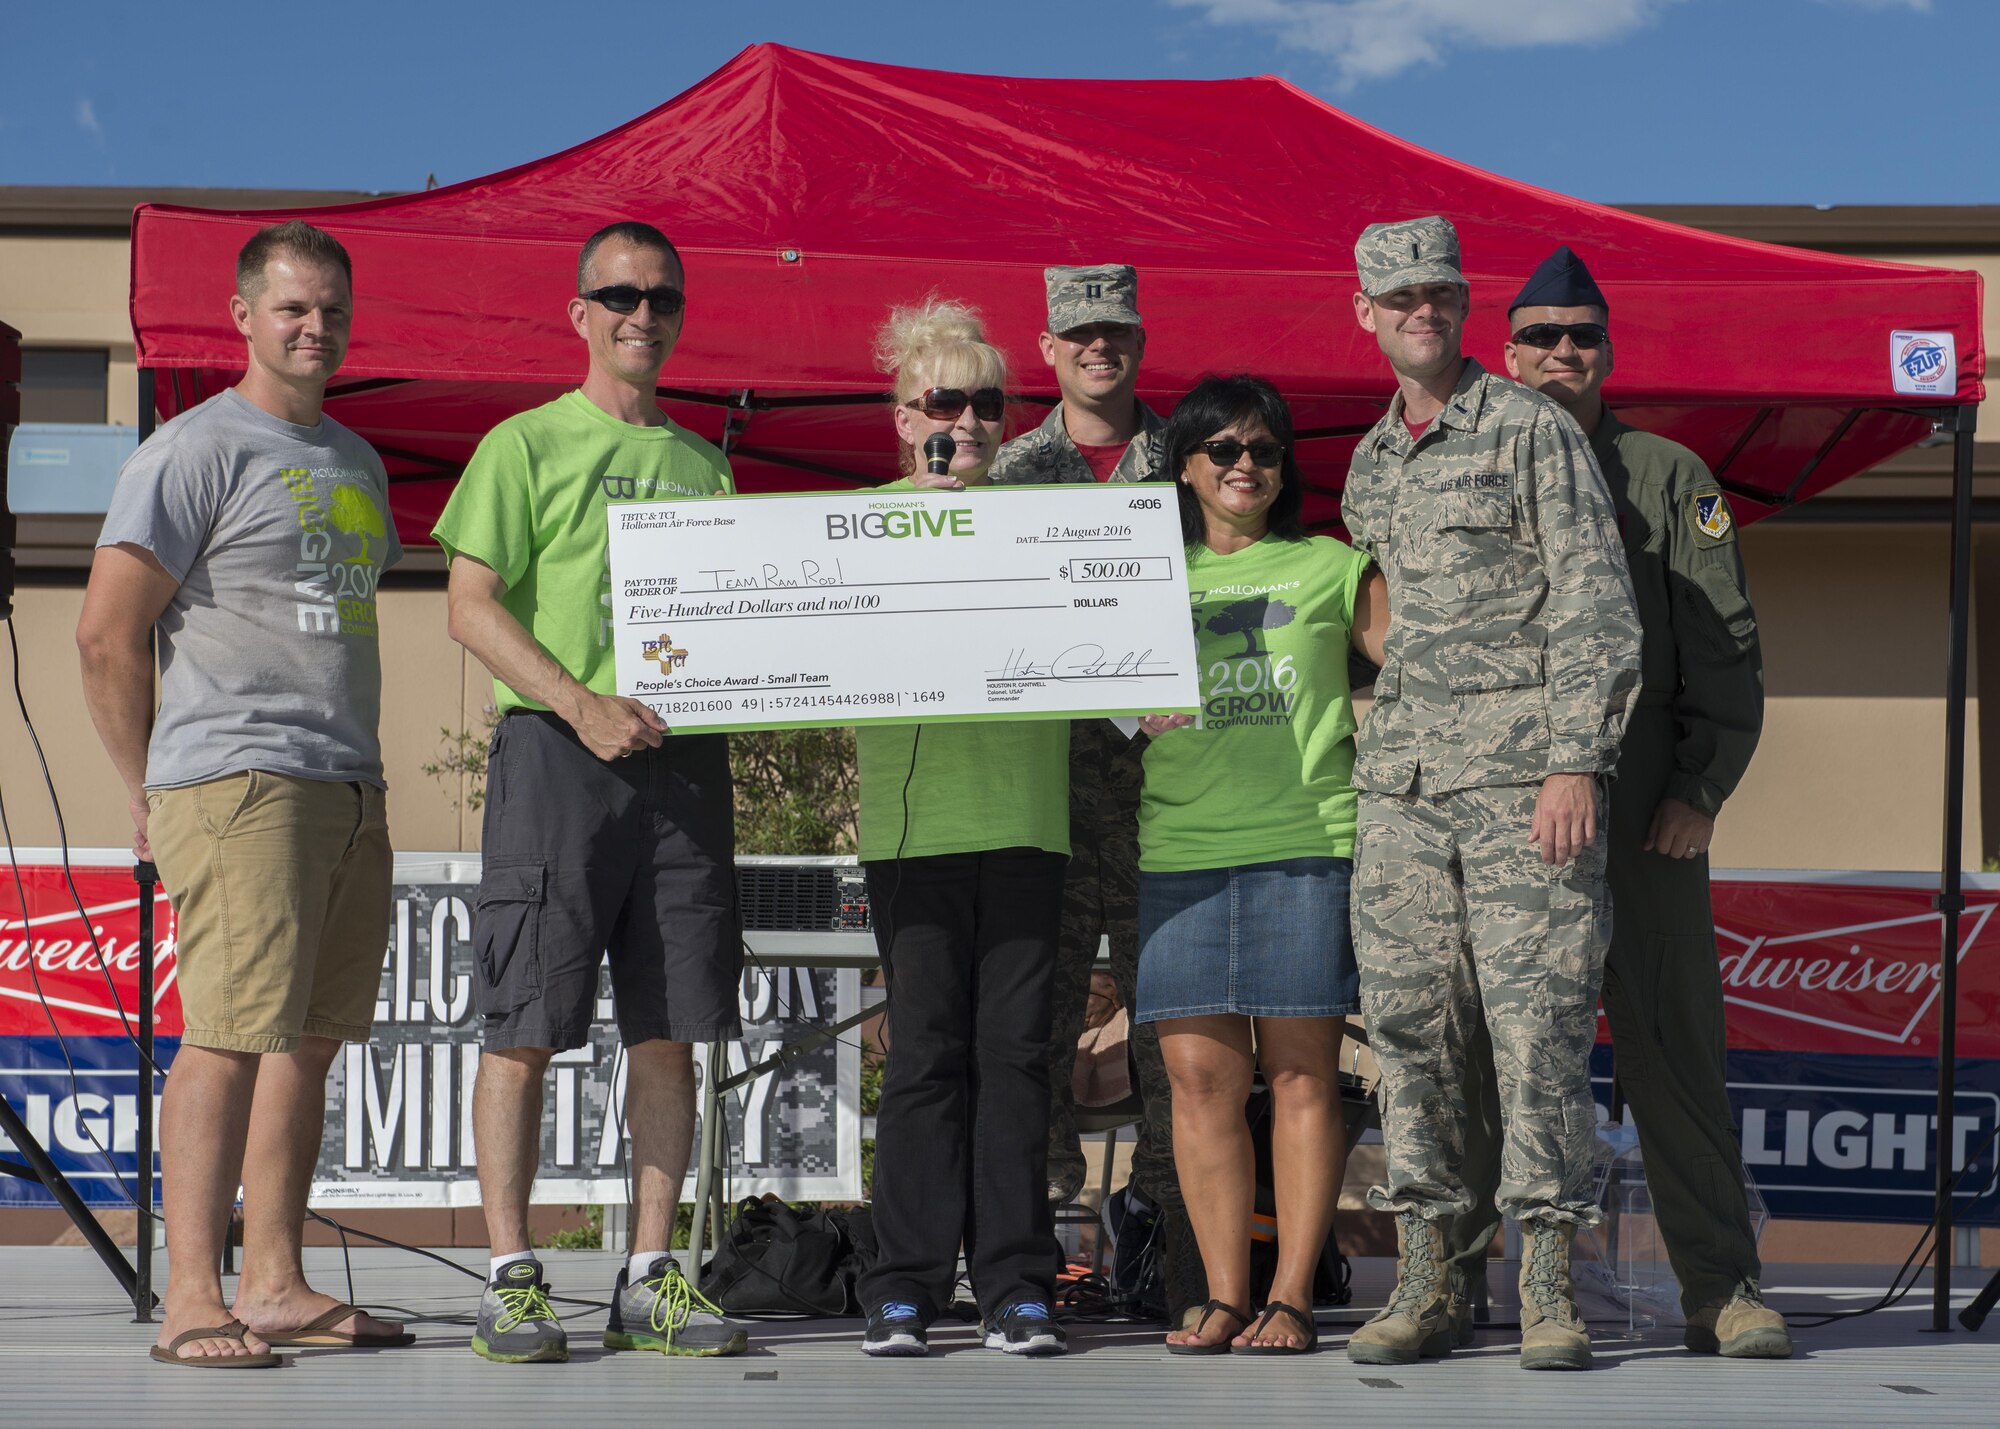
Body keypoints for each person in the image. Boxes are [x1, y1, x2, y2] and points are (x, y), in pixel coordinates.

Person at [1441, 245, 1787, 1359]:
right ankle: (1446, 1286)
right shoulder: (1463, 464)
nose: (1559, 353)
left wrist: (1698, 787)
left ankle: (1718, 1289)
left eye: (1579, 336)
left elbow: (1722, 644)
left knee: (1672, 1048)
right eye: (1538, 335)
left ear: (1605, 350)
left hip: (1639, 810)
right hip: (1494, 813)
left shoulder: (1662, 472)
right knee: (1484, 1053)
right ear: (1504, 350)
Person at [78, 220, 410, 1366]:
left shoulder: (358, 462)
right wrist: (148, 789)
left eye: (331, 310)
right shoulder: (190, 450)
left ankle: (274, 1282)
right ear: (242, 316)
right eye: (291, 309)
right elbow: (105, 638)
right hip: (238, 780)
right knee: (224, 1037)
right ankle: (190, 1296)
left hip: (346, 781)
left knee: (309, 1040)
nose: (314, 328)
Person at [431, 220, 748, 1363]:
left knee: (672, 1030)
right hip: (559, 757)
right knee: (525, 1023)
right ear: (579, 313)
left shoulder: (705, 462)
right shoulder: (521, 444)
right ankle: (512, 1276)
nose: (642, 314)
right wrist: (579, 702)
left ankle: (651, 1273)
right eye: (618, 294)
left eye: (662, 297)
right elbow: (468, 604)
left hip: (682, 759)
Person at [1339, 216, 1642, 1373]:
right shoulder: (1371, 458)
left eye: (1437, 292)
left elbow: (1592, 601)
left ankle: (1549, 1282)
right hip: (1404, 788)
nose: (1421, 308)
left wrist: (1577, 759)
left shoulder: (1525, 427)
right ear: (1364, 313)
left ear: (1460, 307)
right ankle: (1429, 1277)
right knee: (1413, 1033)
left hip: (1526, 785)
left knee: (1538, 1032)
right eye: (1398, 295)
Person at [1133, 375, 1389, 1355]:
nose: (1245, 466)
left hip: (1305, 842)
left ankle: (1290, 1297)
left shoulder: (1332, 565)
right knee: (1196, 1079)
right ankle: (1223, 1292)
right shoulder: (1142, 574)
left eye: (1264, 450)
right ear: (1186, 465)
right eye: (1223, 450)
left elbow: (1416, 669)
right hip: (1181, 848)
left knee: (1299, 1076)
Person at [854, 297, 1072, 1359]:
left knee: (1015, 1059)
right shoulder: (851, 524)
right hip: (911, 834)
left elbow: (1110, 647)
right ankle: (901, 1284)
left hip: (1029, 824)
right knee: (926, 1058)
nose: (970, 420)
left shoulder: (1046, 523)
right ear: (901, 416)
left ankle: (1014, 1284)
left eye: (988, 402)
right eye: (945, 400)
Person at [989, 264, 1201, 1318]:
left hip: (1171, 786)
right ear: (1047, 346)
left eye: (1113, 330)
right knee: (1038, 1015)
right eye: (1078, 333)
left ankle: (1164, 1232)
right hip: (1047, 787)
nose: (1097, 348)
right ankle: (1039, 1243)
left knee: (1171, 1019)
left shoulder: (1193, 458)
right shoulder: (1012, 467)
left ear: (1138, 339)